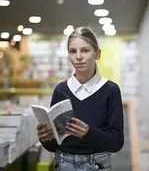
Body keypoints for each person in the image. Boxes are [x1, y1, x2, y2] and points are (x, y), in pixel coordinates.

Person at [36, 27, 124, 171]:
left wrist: (88, 133)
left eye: (85, 50)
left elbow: (116, 143)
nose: (78, 57)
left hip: (97, 164)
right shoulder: (60, 90)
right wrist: (45, 139)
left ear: (97, 53)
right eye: (73, 51)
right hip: (63, 163)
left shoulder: (111, 90)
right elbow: (54, 146)